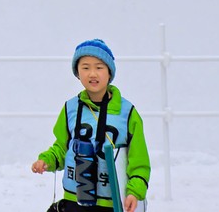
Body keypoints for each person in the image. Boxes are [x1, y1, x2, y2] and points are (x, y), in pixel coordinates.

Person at [31, 38, 148, 212]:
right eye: (85, 67)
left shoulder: (127, 113)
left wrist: (135, 191)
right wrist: (46, 160)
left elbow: (139, 160)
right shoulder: (70, 108)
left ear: (109, 73)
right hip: (74, 199)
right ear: (77, 73)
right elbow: (61, 148)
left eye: (99, 67)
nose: (92, 74)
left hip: (111, 203)